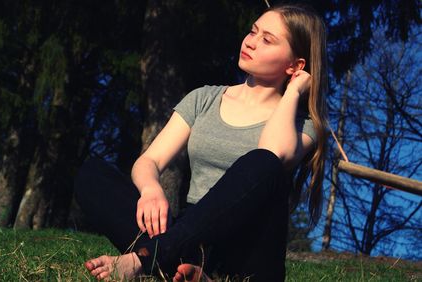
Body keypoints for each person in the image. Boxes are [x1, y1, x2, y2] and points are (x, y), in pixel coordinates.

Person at [74, 3, 328, 281]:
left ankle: (152, 259)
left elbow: (273, 152)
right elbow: (149, 161)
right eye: (253, 32)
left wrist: (293, 93)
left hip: (247, 249)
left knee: (264, 161)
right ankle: (186, 269)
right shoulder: (204, 98)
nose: (251, 42)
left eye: (267, 40)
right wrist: (150, 189)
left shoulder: (302, 125)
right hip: (190, 235)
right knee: (93, 174)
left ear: (296, 65)